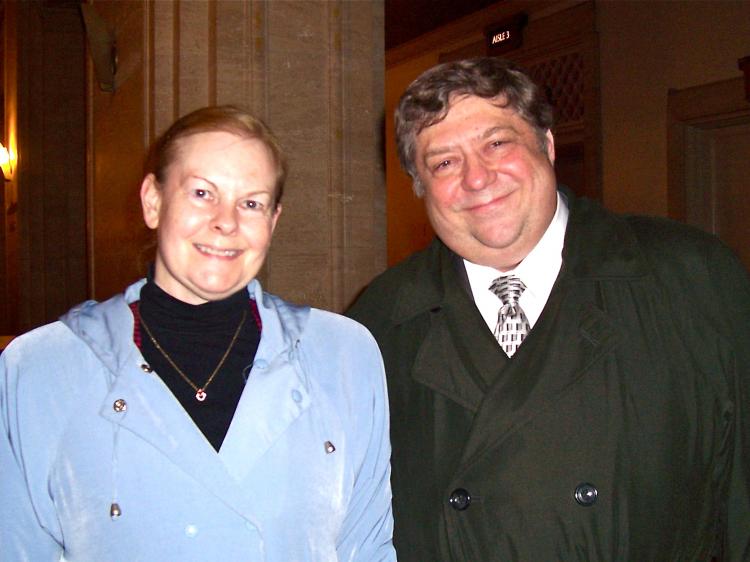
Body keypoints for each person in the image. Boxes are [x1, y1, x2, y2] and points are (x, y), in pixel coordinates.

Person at [348, 57, 750, 560]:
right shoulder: (379, 321)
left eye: (497, 143)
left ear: (548, 146)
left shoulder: (691, 276)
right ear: (421, 188)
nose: (477, 178)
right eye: (444, 162)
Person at [1, 106, 396, 561]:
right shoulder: (40, 369)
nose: (226, 221)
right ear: (153, 201)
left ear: (273, 221)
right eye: (202, 193)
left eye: (251, 203)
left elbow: (367, 548)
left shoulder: (343, 355)